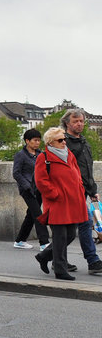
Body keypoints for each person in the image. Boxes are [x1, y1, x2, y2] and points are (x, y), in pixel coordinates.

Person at [34, 126, 90, 280]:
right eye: (60, 140)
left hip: (72, 201)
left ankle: (44, 256)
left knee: (71, 234)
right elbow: (40, 181)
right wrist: (55, 194)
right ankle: (60, 269)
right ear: (51, 142)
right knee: (60, 236)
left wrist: (80, 187)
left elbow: (77, 172)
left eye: (64, 139)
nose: (64, 142)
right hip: (57, 202)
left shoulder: (69, 154)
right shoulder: (43, 157)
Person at [61, 109, 102, 273]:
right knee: (83, 224)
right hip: (70, 192)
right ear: (67, 123)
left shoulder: (84, 142)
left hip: (83, 191)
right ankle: (93, 261)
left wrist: (92, 191)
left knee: (69, 229)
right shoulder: (63, 142)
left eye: (82, 121)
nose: (79, 124)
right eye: (76, 121)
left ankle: (53, 257)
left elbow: (87, 170)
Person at [12, 128, 51, 250]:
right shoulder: (21, 155)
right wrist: (27, 185)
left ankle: (20, 240)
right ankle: (44, 243)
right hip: (27, 190)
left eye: (39, 140)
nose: (37, 143)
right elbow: (16, 173)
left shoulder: (40, 155)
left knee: (31, 215)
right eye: (35, 140)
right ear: (27, 141)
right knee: (38, 214)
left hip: (39, 189)